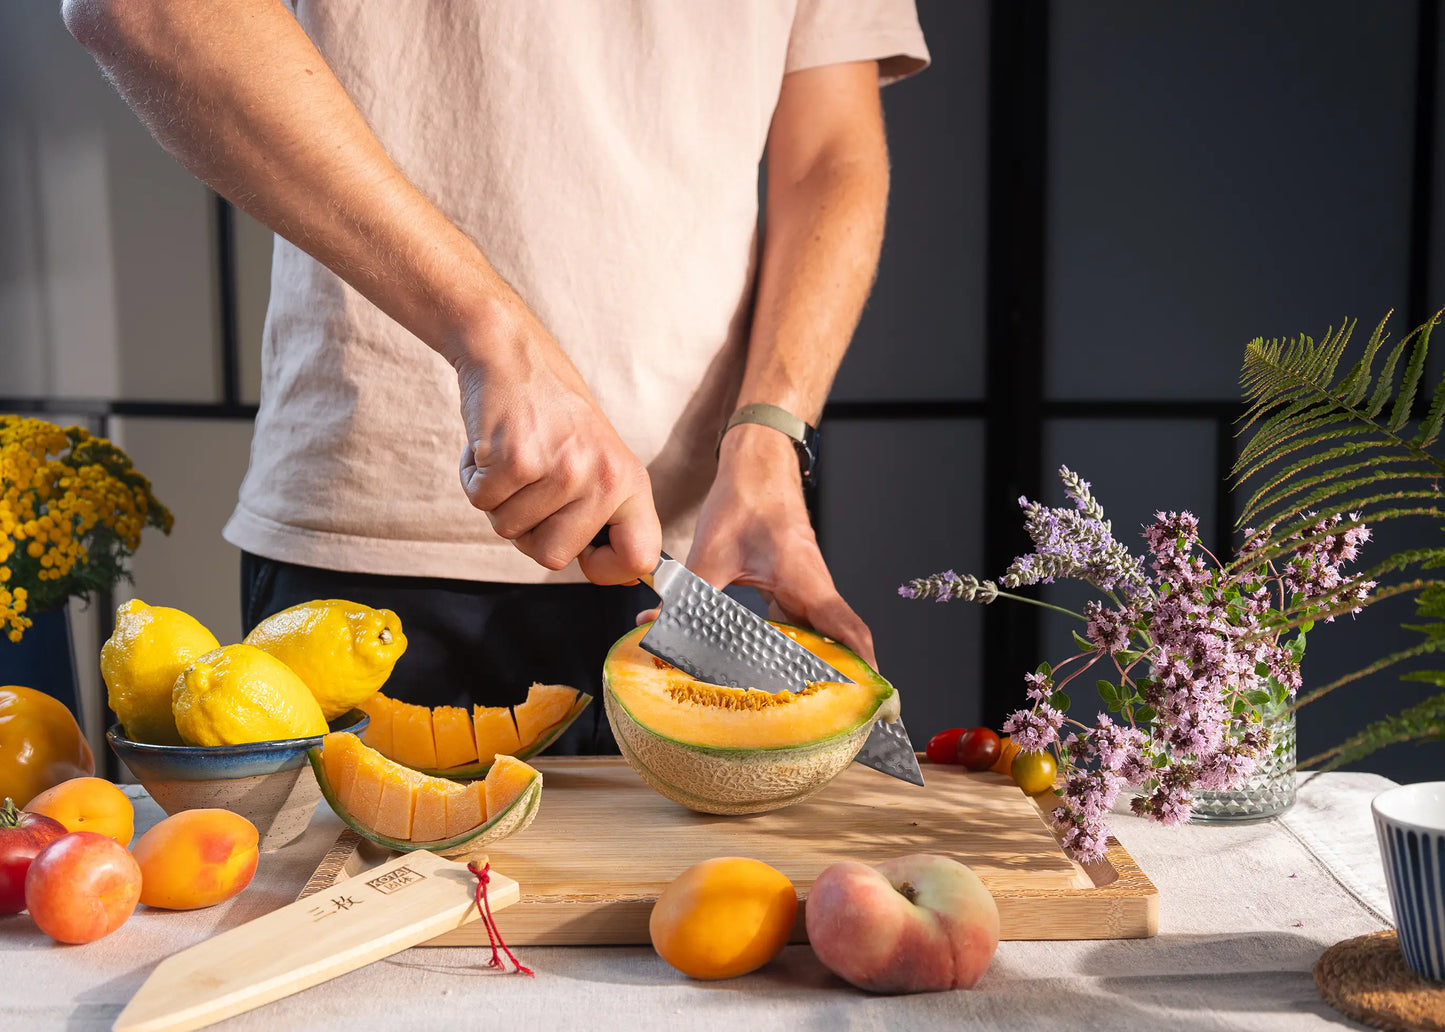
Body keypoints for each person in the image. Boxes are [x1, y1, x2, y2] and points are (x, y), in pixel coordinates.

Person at [63, 1, 929, 751]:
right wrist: (495, 338)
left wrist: (770, 437)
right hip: (379, 549)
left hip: (694, 559)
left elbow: (829, 157)